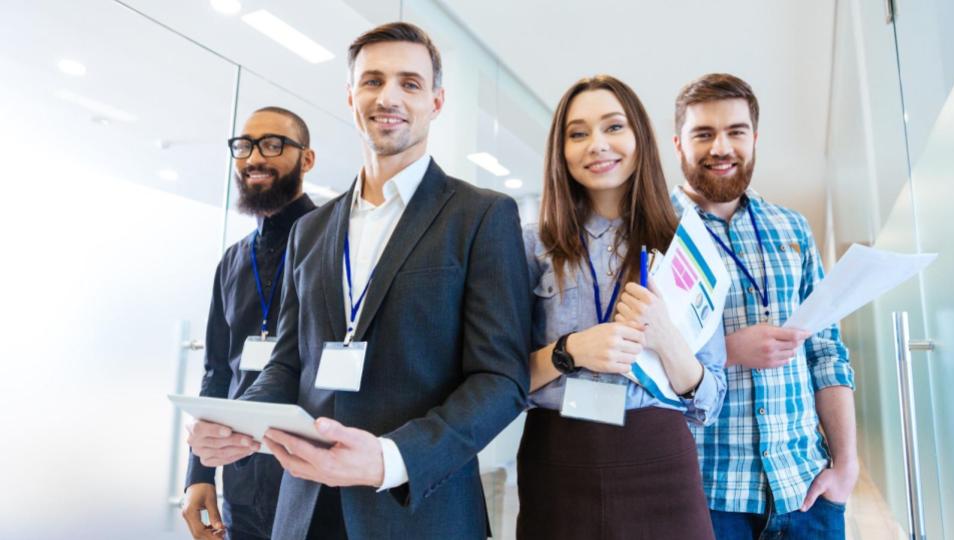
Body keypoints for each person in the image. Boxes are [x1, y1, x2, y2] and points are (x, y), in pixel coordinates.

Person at [186, 22, 530, 540]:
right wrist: (240, 422)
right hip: (303, 508)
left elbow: (501, 381)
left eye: (409, 83)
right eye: (372, 81)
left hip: (416, 508)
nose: (388, 96)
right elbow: (286, 363)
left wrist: (390, 458)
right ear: (351, 97)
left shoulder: (481, 215)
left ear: (436, 102)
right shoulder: (311, 229)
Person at [517, 74, 726, 540]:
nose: (597, 145)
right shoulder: (532, 245)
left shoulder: (684, 243)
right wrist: (568, 351)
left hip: (659, 457)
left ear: (639, 137)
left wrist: (667, 339)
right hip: (558, 458)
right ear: (561, 150)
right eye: (578, 133)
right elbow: (501, 379)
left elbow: (711, 399)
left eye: (613, 127)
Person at [671, 73, 857, 539]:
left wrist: (847, 466)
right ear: (678, 144)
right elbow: (635, 365)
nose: (721, 147)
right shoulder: (653, 233)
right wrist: (726, 350)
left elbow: (827, 353)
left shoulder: (792, 228)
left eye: (735, 132)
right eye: (703, 133)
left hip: (807, 491)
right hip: (707, 497)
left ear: (755, 139)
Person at [181, 106, 317, 540]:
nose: (255, 157)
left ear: (306, 160)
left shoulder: (335, 246)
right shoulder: (233, 260)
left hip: (311, 478)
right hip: (241, 482)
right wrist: (199, 473)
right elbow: (218, 371)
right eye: (245, 146)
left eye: (273, 144)